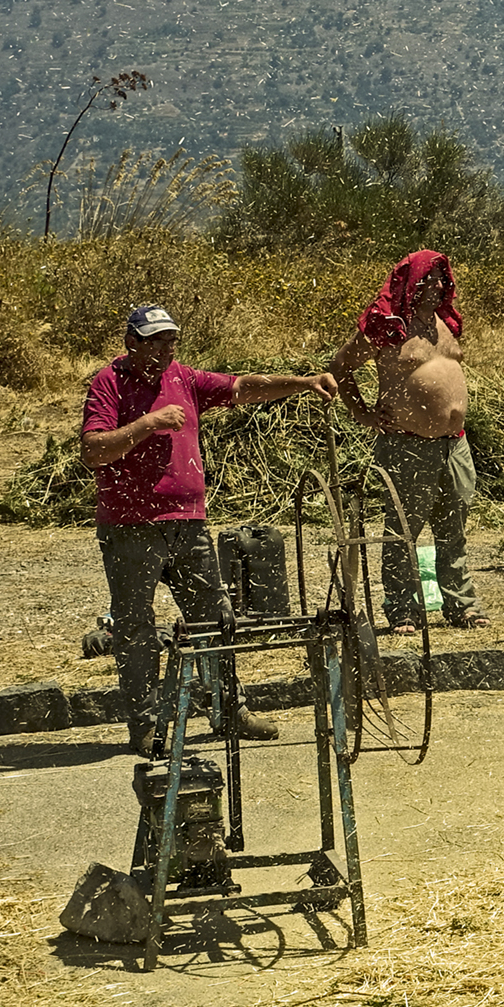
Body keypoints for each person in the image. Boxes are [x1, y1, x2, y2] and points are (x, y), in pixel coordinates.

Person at [81, 304, 335, 753]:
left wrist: (303, 383)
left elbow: (243, 387)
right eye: (155, 340)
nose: (165, 348)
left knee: (215, 621)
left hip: (189, 523)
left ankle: (228, 711)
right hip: (132, 527)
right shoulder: (110, 382)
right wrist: (147, 424)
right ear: (131, 343)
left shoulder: (184, 378)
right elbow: (94, 451)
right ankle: (145, 726)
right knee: (136, 629)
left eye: (170, 339)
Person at [328, 250, 489, 630]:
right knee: (403, 530)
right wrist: (362, 413)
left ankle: (462, 604)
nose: (436, 285)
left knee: (454, 529)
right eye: (428, 279)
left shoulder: (445, 324)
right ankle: (401, 609)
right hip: (407, 444)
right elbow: (340, 366)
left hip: (455, 444)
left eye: (440, 278)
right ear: (409, 283)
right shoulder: (388, 327)